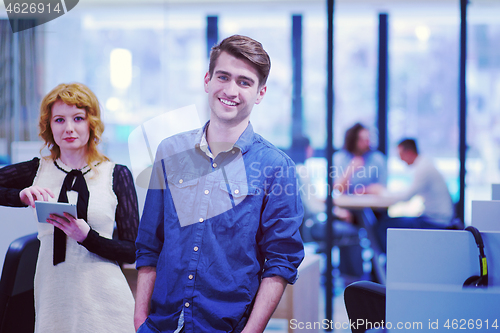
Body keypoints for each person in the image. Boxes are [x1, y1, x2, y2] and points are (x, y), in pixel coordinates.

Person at [134, 35, 304, 333]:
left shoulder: (276, 168)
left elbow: (281, 261)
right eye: (223, 77)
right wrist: (140, 321)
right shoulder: (170, 152)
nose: (230, 90)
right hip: (161, 325)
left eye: (244, 82)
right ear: (207, 81)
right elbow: (149, 244)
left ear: (260, 93)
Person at [0, 83, 139, 332]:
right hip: (54, 297)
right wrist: (20, 196)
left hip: (107, 301)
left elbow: (132, 251)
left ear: (91, 123)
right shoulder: (37, 170)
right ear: (49, 126)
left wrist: (87, 237)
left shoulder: (116, 174)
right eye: (59, 120)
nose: (69, 128)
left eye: (78, 118)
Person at [375, 138, 455, 252]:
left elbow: (406, 197)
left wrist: (382, 193)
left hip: (435, 221)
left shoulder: (423, 168)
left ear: (409, 152)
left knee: (384, 226)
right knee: (387, 222)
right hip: (435, 218)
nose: (400, 159)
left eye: (401, 155)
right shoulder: (424, 164)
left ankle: (388, 262)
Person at [333, 122, 387, 195]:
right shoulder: (340, 158)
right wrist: (350, 169)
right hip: (346, 204)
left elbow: (382, 188)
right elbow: (338, 189)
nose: (367, 143)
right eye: (362, 140)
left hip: (371, 204)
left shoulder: (378, 159)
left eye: (368, 139)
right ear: (353, 140)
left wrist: (365, 190)